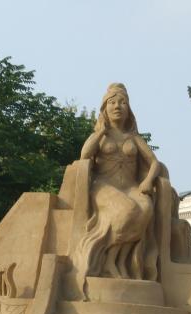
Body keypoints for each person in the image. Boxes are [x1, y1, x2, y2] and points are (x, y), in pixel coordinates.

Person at [73, 83, 161, 292]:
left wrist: (148, 180)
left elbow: (154, 163)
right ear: (105, 108)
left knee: (146, 209)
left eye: (122, 102)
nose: (117, 106)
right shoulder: (101, 136)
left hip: (130, 187)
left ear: (129, 109)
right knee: (127, 210)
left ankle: (116, 260)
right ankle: (104, 258)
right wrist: (100, 132)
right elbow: (84, 155)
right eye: (112, 102)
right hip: (104, 185)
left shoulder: (134, 138)